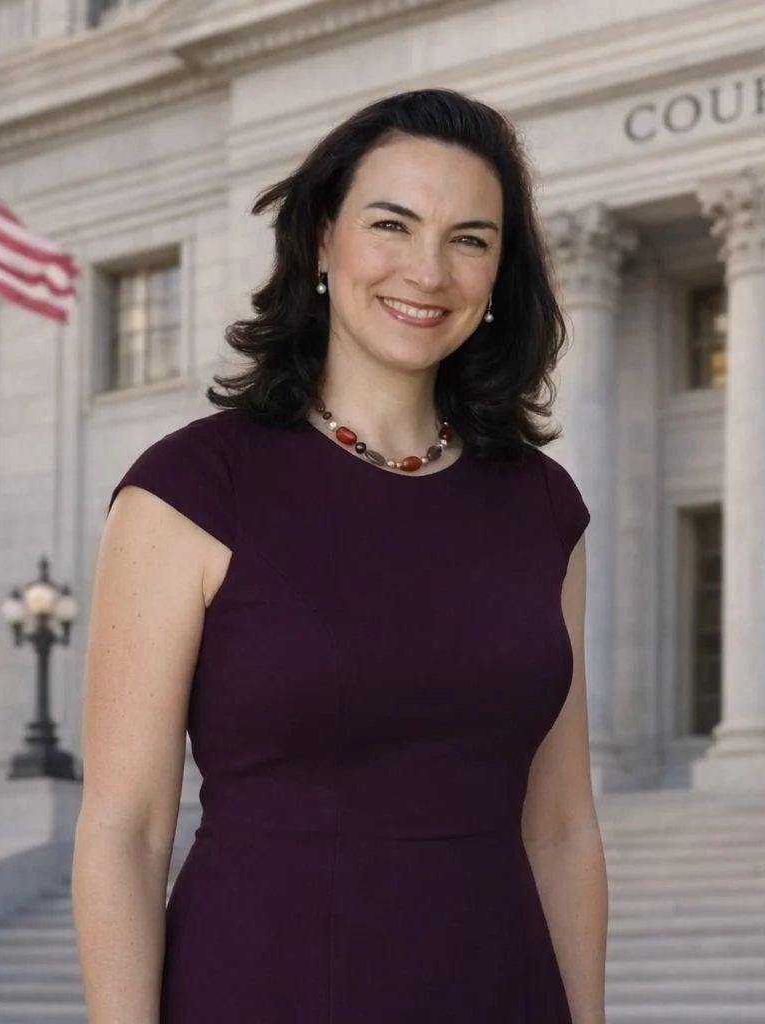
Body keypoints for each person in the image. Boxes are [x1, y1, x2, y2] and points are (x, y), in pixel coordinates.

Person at [71, 89, 608, 1024]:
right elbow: (125, 829)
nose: (429, 270)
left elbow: (561, 828)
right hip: (261, 986)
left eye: (471, 239)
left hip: (501, 990)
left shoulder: (544, 507)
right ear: (323, 239)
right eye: (392, 224)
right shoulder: (191, 488)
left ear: (499, 274)